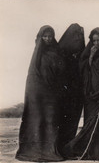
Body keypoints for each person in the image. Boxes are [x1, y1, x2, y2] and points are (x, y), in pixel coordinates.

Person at [61, 27, 99, 160]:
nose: (97, 43)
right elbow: (82, 71)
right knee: (90, 121)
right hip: (90, 94)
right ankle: (89, 150)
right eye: (94, 41)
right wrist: (91, 57)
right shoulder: (87, 55)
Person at [15, 25, 65, 162]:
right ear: (40, 37)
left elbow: (61, 73)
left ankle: (50, 151)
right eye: (45, 36)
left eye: (50, 36)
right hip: (37, 94)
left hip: (52, 93)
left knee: (51, 121)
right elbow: (33, 76)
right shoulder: (37, 53)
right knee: (36, 120)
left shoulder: (57, 52)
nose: (48, 39)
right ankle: (33, 150)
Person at [57, 23, 85, 151]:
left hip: (77, 93)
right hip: (63, 93)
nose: (78, 38)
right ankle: (59, 147)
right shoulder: (60, 53)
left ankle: (68, 147)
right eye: (75, 35)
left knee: (73, 120)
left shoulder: (82, 54)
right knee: (62, 120)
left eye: (80, 35)